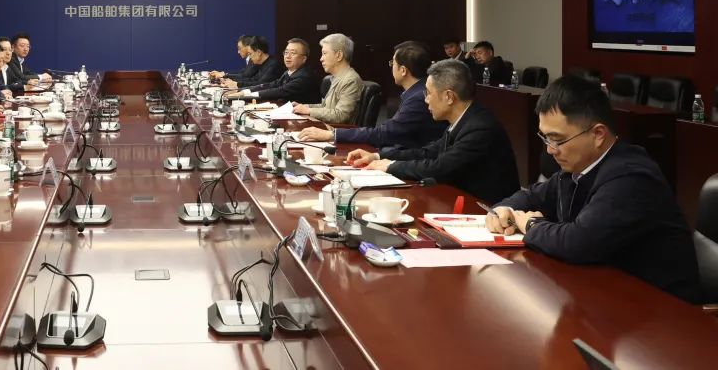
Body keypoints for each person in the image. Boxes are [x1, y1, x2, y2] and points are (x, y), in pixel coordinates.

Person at [487, 75, 701, 303]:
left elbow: (578, 242)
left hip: (663, 310)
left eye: (557, 139)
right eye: (546, 138)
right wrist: (501, 211)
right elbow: (531, 196)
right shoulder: (577, 168)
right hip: (607, 296)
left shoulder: (631, 176)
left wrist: (530, 224)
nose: (550, 150)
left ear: (598, 134)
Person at [349, 59, 519, 203]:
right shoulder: (463, 119)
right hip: (459, 201)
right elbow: (428, 152)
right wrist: (378, 156)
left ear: (449, 97)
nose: (426, 100)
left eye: (429, 93)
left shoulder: (479, 127)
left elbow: (439, 167)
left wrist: (391, 166)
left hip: (487, 211)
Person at [300, 41, 445, 148]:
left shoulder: (418, 98)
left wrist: (333, 134)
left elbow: (386, 133)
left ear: (403, 70)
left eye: (392, 63)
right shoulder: (415, 92)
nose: (391, 67)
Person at [293, 33, 362, 124]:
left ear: (339, 55)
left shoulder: (350, 80)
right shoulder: (337, 77)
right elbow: (326, 107)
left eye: (324, 53)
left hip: (337, 131)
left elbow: (341, 115)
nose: (321, 59)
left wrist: (309, 111)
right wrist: (304, 107)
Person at [229, 38, 319, 103]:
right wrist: (243, 91)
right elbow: (272, 85)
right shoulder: (289, 72)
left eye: (293, 53)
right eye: (286, 52)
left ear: (303, 59)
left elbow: (280, 91)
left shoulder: (304, 76)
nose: (288, 56)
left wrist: (245, 95)